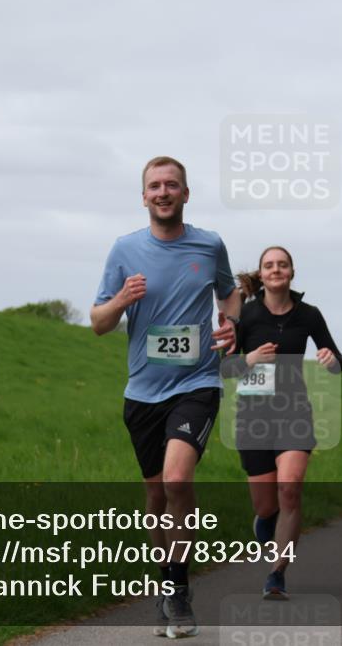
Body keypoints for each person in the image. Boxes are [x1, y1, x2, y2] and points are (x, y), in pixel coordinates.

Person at [90, 156, 239, 638]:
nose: (162, 192)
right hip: (142, 391)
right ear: (144, 196)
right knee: (156, 493)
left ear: (185, 193)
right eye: (154, 186)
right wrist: (120, 301)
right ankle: (167, 582)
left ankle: (176, 586)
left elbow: (230, 293)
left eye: (171, 185)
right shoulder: (124, 250)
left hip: (197, 383)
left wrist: (231, 322)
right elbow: (98, 323)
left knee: (177, 480)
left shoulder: (209, 243)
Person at [222, 246, 342, 599]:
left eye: (283, 264)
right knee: (266, 506)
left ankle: (277, 573)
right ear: (261, 274)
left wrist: (328, 358)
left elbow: (337, 364)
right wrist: (251, 358)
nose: (276, 270)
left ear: (292, 272)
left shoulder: (309, 315)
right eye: (269, 265)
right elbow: (224, 369)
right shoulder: (244, 315)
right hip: (253, 417)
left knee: (290, 488)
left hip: (294, 413)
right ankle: (264, 522)